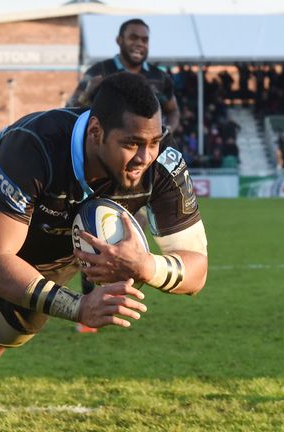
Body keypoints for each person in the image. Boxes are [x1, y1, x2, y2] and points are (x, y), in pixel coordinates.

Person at [0, 73, 209, 431]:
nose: (145, 156)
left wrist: (147, 266)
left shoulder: (164, 165)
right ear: (96, 131)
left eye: (154, 141)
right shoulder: (35, 142)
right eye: (132, 143)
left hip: (52, 254)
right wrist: (79, 306)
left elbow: (197, 271)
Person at [67, 17, 182, 332]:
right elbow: (70, 107)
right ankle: (93, 298)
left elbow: (172, 109)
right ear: (119, 41)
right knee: (94, 231)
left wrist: (168, 128)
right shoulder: (99, 73)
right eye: (134, 38)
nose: (140, 44)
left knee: (132, 231)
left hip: (145, 170)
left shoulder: (159, 78)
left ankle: (114, 296)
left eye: (145, 39)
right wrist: (86, 95)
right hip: (102, 169)